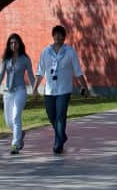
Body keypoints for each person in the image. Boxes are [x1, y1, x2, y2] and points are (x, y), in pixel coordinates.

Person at [34, 24, 89, 155]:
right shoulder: (45, 52)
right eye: (56, 34)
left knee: (60, 116)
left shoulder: (70, 52)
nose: (58, 37)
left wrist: (84, 87)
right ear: (52, 36)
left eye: (61, 35)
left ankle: (58, 144)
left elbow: (78, 71)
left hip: (64, 90)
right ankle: (61, 136)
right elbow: (40, 72)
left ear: (64, 37)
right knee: (51, 115)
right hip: (49, 91)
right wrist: (35, 88)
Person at [0, 33, 35, 155]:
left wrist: (35, 89)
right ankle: (20, 134)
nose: (13, 45)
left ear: (20, 44)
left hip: (20, 90)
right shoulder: (5, 59)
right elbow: (1, 73)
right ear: (8, 45)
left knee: (16, 116)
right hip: (7, 92)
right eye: (11, 43)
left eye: (15, 42)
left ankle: (15, 145)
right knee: (9, 121)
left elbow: (31, 75)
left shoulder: (25, 59)